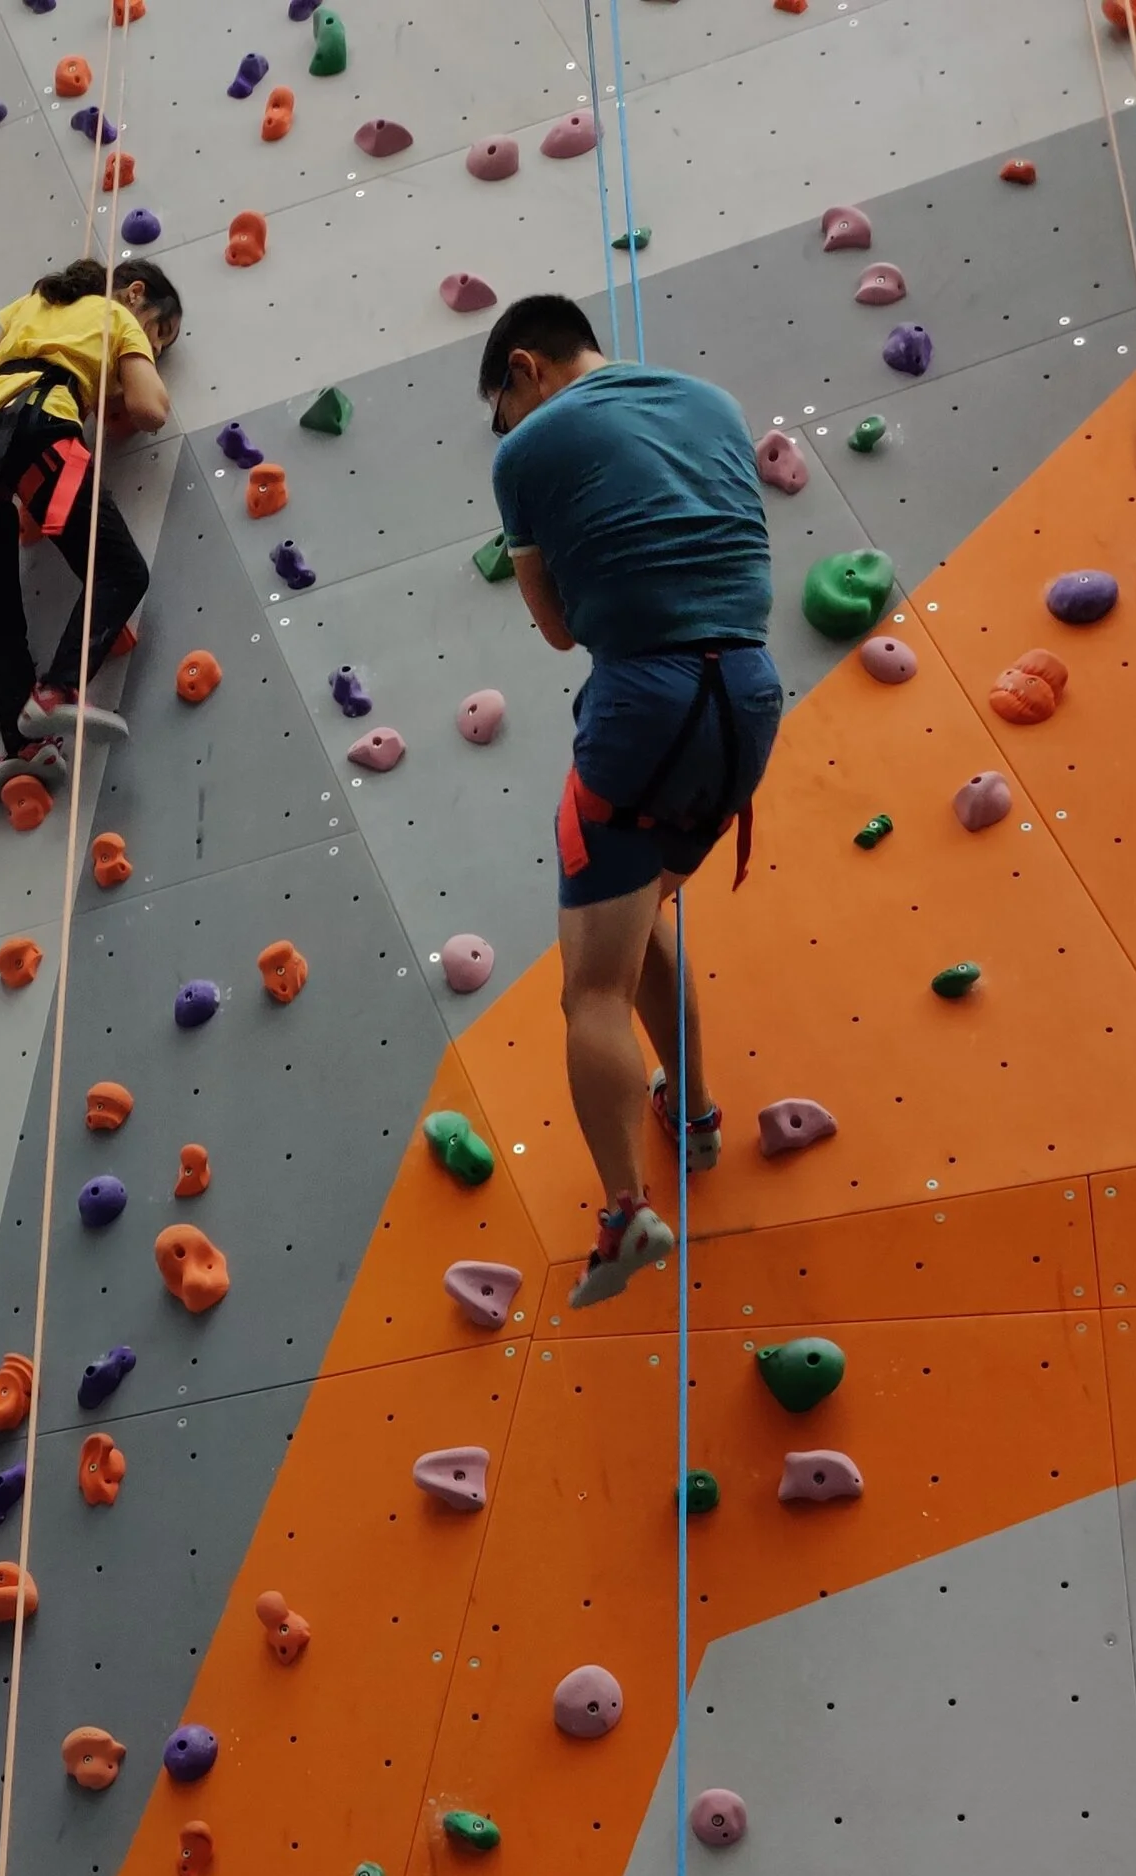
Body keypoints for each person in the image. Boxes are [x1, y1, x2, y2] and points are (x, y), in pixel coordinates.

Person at [481, 295, 787, 1308]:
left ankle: (625, 1213)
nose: (510, 432)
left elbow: (559, 630)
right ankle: (690, 1119)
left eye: (506, 407)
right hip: (746, 696)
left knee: (589, 991)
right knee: (641, 905)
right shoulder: (715, 402)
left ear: (524, 368)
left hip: (641, 706)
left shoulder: (527, 454)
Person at [0, 255, 182, 803]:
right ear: (135, 294)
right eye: (160, 334)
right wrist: (122, 372)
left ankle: (24, 748)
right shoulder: (116, 318)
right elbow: (150, 409)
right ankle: (57, 690)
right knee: (120, 570)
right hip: (42, 434)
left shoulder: (31, 304)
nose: (156, 348)